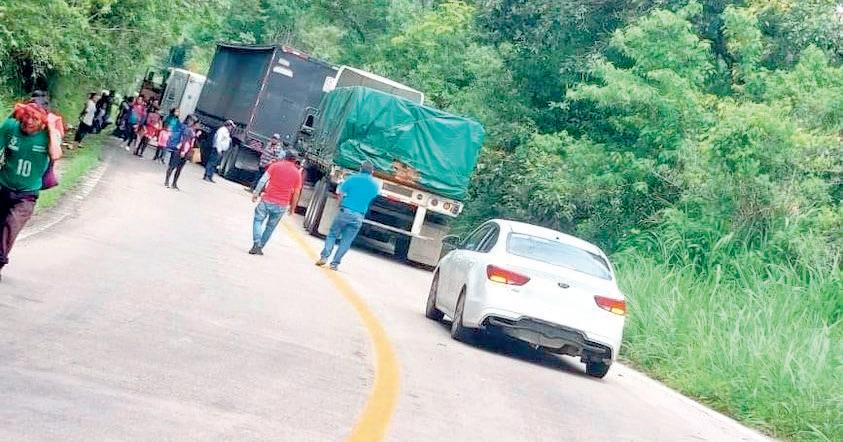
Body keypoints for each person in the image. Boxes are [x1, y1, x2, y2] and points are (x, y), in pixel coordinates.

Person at [0, 93, 63, 281]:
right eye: (26, 116)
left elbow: (56, 154)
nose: (28, 121)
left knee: (10, 226)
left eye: (35, 118)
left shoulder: (49, 134)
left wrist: (51, 128)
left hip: (27, 195)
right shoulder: (11, 126)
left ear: (43, 120)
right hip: (3, 185)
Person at [316, 160, 380, 270]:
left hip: (345, 211)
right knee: (346, 241)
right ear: (372, 172)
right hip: (359, 215)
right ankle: (335, 264)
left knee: (332, 234)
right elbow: (373, 197)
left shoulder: (352, 178)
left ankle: (324, 257)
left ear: (360, 169)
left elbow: (340, 193)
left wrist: (341, 204)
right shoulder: (375, 185)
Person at [250, 151, 302, 255]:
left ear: (285, 156)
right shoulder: (297, 174)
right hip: (282, 204)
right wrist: (292, 208)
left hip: (267, 199)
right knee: (270, 227)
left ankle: (256, 242)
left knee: (258, 220)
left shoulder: (275, 166)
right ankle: (260, 246)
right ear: (295, 160)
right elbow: (296, 193)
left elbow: (263, 180)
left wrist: (256, 193)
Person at [164, 116, 198, 190]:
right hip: (180, 150)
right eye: (191, 120)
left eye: (193, 121)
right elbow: (184, 140)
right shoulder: (187, 129)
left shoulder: (191, 130)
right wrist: (183, 151)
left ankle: (173, 183)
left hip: (184, 151)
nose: (191, 122)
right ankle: (168, 182)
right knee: (173, 166)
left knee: (178, 168)